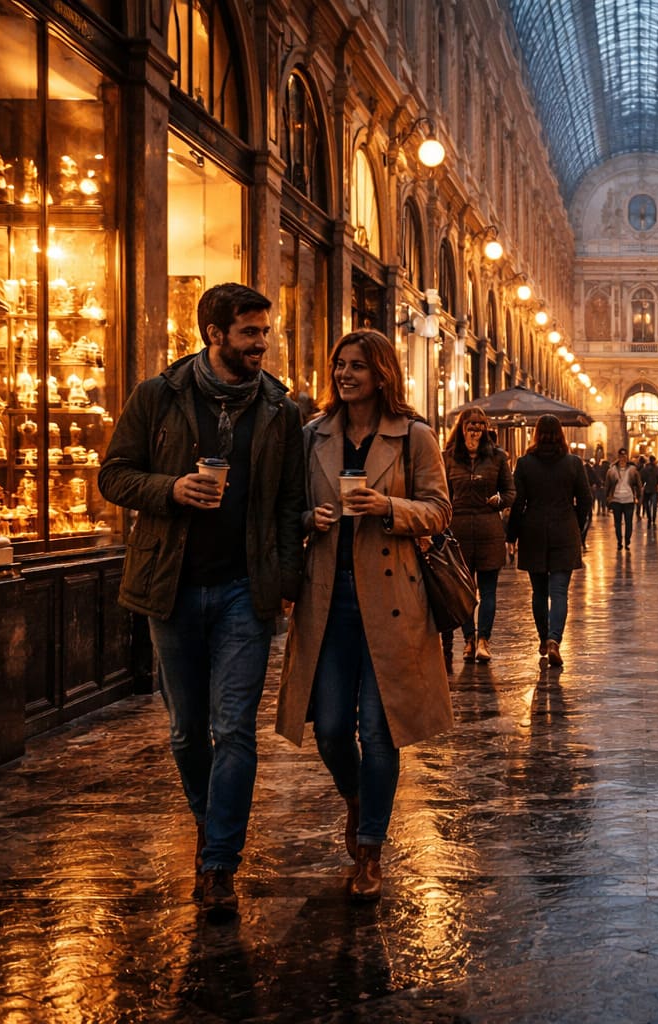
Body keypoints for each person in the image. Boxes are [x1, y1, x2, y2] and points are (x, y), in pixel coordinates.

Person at [98, 282, 306, 917]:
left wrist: (286, 585)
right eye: (250, 333)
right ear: (214, 335)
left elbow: (290, 504)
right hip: (172, 587)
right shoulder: (157, 396)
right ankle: (209, 822)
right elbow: (114, 474)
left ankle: (219, 864)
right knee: (189, 732)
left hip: (246, 591)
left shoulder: (280, 409)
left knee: (234, 729)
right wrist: (171, 490)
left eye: (265, 333)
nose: (262, 344)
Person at [276, 328, 453, 903]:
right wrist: (311, 520)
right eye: (338, 364)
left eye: (356, 366)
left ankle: (371, 849)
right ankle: (355, 799)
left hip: (393, 601)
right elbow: (289, 510)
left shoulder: (414, 437)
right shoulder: (311, 436)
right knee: (328, 728)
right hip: (327, 601)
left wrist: (388, 507)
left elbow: (438, 510)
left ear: (382, 374)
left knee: (379, 732)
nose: (344, 374)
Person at [508, 414, 592, 667]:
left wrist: (511, 535)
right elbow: (586, 501)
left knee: (539, 592)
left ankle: (544, 639)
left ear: (536, 434)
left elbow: (517, 503)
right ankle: (555, 639)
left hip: (533, 531)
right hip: (564, 530)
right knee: (559, 592)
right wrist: (574, 524)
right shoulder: (574, 463)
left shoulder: (524, 464)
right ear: (561, 434)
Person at [442, 407, 514, 664]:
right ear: (462, 428)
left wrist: (498, 501)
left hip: (488, 530)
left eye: (480, 425)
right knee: (464, 591)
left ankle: (484, 640)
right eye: (470, 425)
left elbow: (510, 491)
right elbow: (441, 495)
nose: (475, 430)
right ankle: (469, 640)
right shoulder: (448, 457)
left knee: (488, 590)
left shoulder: (497, 457)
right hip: (458, 532)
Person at [605, 448, 643, 549]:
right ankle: (619, 541)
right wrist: (607, 500)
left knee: (628, 522)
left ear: (627, 457)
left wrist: (639, 497)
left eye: (624, 456)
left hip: (629, 499)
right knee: (617, 523)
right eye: (621, 456)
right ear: (618, 457)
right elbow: (607, 486)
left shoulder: (632, 470)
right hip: (616, 499)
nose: (622, 458)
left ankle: (627, 540)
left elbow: (639, 484)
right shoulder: (611, 470)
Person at [640, 454, 658, 524]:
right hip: (654, 489)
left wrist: (642, 486)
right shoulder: (657, 469)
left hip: (647, 489)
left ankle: (649, 517)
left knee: (647, 504)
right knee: (654, 505)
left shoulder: (644, 469)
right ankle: (653, 519)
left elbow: (642, 479)